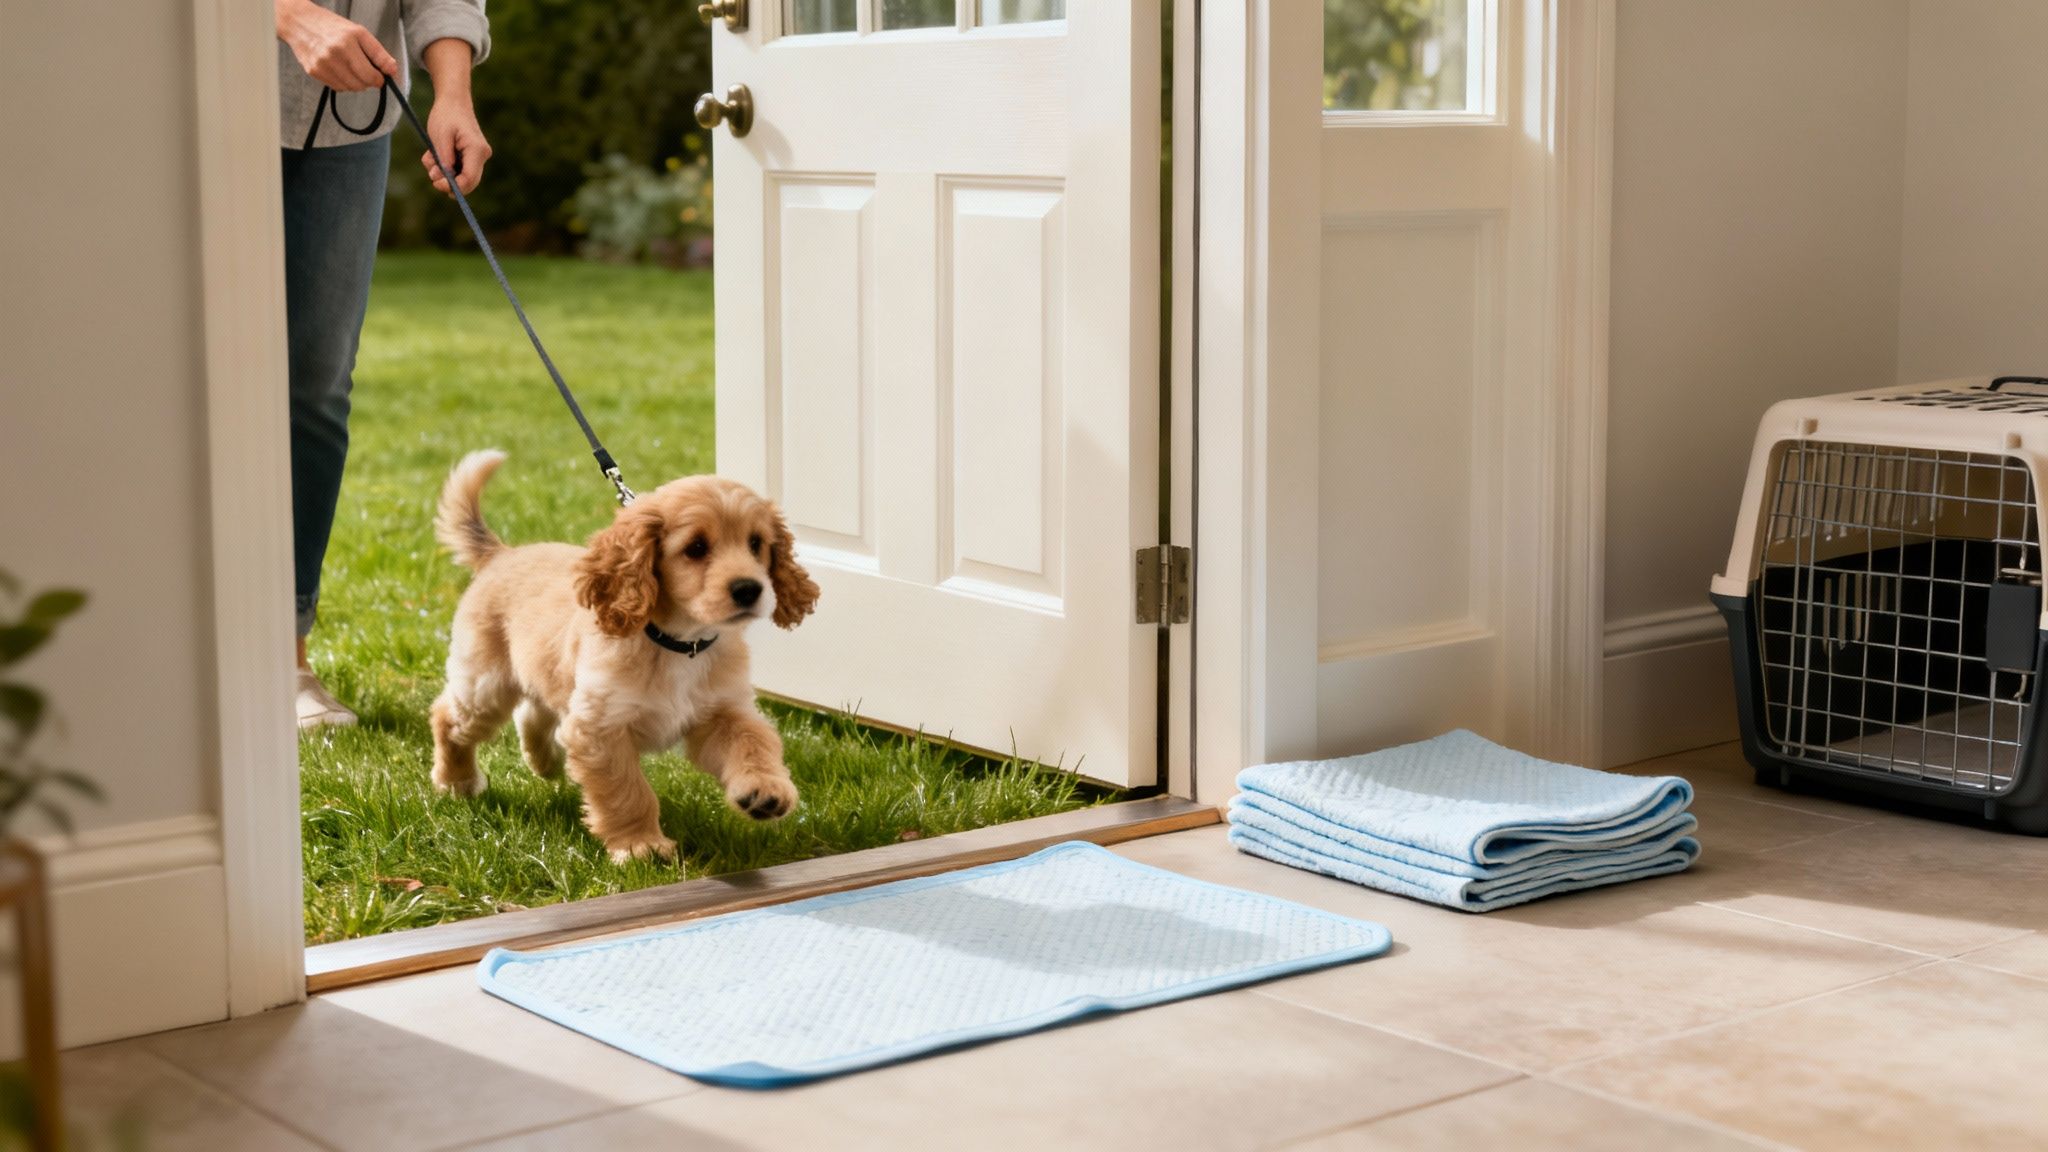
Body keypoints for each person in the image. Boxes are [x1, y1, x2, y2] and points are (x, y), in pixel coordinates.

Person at [275, 0, 491, 728]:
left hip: (349, 130)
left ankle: (283, 654)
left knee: (314, 385)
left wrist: (452, 93)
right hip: (201, 103)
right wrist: (284, 14)